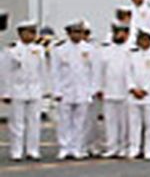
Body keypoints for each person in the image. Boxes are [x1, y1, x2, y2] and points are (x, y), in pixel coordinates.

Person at [51, 20, 96, 159]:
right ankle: (65, 147)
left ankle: (77, 147)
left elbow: (94, 72)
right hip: (65, 90)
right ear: (69, 33)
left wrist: (91, 91)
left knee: (80, 122)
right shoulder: (60, 50)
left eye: (80, 32)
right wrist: (56, 90)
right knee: (64, 121)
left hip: (83, 90)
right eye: (75, 32)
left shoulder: (89, 49)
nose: (77, 35)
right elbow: (55, 72)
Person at [4, 21, 47, 160]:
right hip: (17, 89)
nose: (31, 35)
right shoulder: (12, 50)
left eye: (33, 32)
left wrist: (44, 89)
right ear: (21, 33)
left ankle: (33, 150)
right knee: (17, 123)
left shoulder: (39, 49)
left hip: (34, 89)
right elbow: (5, 72)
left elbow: (42, 71)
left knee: (34, 122)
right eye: (28, 32)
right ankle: (16, 151)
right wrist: (5, 92)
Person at [125, 29, 150, 160]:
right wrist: (132, 88)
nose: (143, 42)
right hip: (134, 94)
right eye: (141, 39)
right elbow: (127, 72)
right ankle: (134, 148)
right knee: (134, 124)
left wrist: (146, 89)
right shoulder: (132, 54)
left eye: (146, 39)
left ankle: (149, 150)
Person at [96, 24, 134, 159]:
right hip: (109, 90)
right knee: (110, 122)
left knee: (124, 122)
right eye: (117, 32)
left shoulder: (131, 50)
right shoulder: (105, 50)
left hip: (125, 91)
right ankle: (111, 147)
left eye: (122, 33)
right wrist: (99, 87)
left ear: (127, 34)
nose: (119, 35)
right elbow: (100, 71)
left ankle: (124, 147)